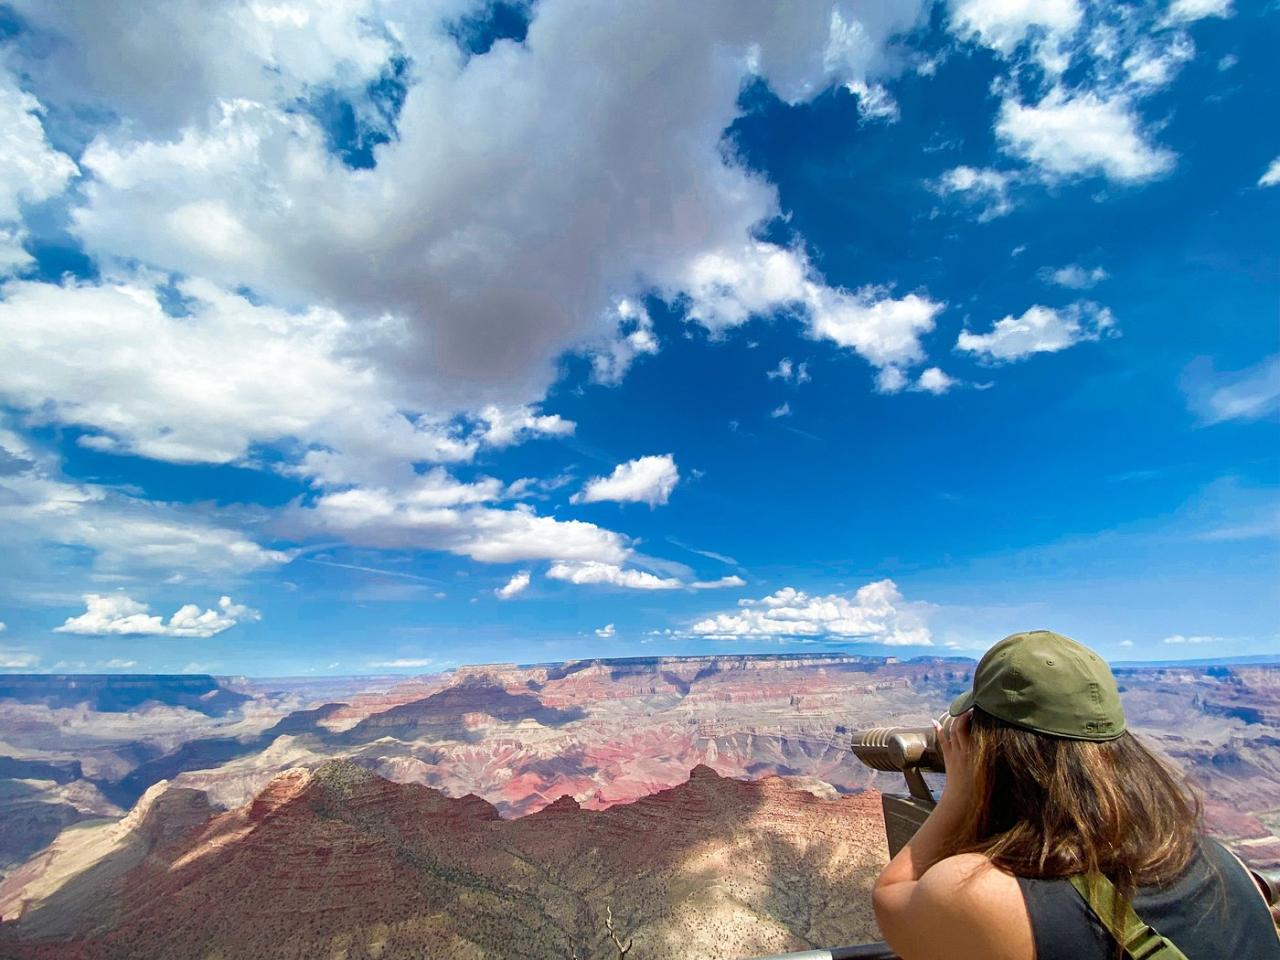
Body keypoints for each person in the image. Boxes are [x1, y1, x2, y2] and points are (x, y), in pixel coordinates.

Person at [872, 629, 1280, 960]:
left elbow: (890, 898)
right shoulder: (1220, 861)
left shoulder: (979, 896)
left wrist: (957, 794)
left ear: (992, 751)